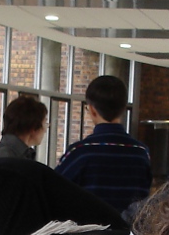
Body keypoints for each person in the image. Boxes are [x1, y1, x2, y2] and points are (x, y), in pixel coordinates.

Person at [55, 75, 151, 213]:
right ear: (123, 108)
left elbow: (54, 191)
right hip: (129, 226)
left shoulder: (79, 152)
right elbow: (144, 198)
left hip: (88, 225)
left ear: (92, 110)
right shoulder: (141, 153)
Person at [0, 94, 47, 160]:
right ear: (34, 127)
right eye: (45, 123)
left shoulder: (12, 153)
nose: (45, 130)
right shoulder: (7, 155)